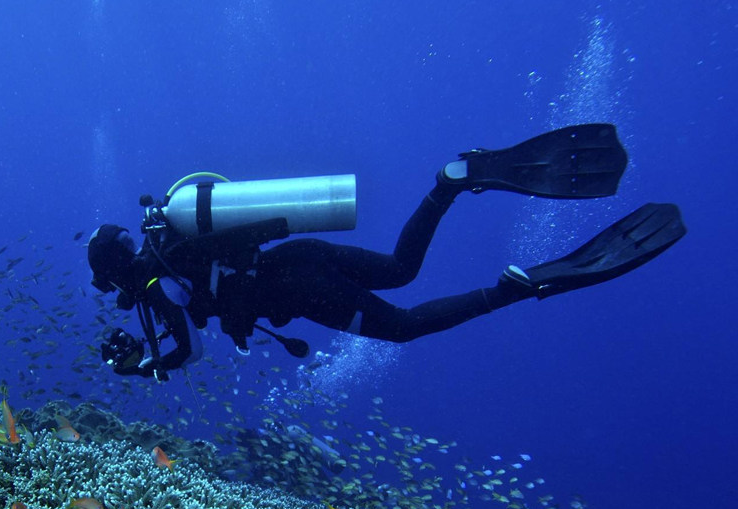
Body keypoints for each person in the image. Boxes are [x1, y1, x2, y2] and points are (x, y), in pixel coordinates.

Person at [87, 124, 685, 382]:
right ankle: (449, 183)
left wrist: (145, 366)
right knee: (403, 270)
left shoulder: (154, 282)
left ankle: (513, 289)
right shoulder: (171, 245)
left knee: (400, 328)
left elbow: (187, 350)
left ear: (115, 273)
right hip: (300, 255)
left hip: (298, 291)